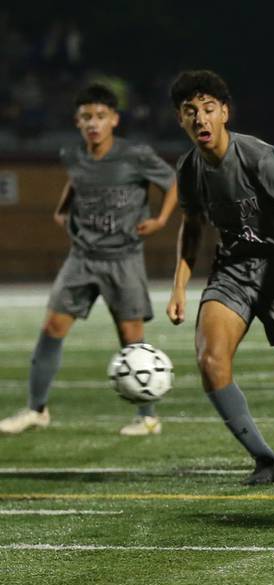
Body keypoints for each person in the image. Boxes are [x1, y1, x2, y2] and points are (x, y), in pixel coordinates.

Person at [167, 70, 274, 485]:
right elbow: (191, 227)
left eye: (208, 110)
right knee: (210, 359)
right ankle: (265, 460)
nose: (200, 120)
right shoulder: (188, 168)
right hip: (234, 273)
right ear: (181, 120)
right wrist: (179, 286)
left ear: (224, 113)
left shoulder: (260, 157)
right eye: (191, 113)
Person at [0, 83, 177, 437]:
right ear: (77, 121)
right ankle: (37, 409)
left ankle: (148, 416)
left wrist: (160, 220)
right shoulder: (73, 154)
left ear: (114, 119)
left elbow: (173, 182)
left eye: (99, 116)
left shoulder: (135, 155)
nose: (93, 123)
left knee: (131, 336)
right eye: (86, 117)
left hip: (123, 258)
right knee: (51, 328)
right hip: (82, 257)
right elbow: (75, 181)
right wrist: (62, 208)